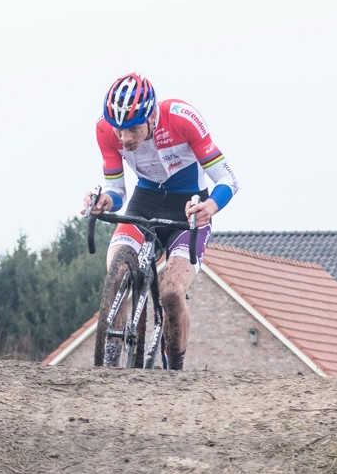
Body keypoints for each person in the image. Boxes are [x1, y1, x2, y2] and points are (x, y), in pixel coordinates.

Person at [82, 72, 238, 370]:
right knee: (116, 272)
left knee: (171, 291)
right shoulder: (105, 131)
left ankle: (174, 368)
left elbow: (227, 178)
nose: (125, 139)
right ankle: (110, 365)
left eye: (133, 130)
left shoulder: (181, 118)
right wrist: (105, 201)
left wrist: (211, 206)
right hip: (145, 201)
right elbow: (116, 190)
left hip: (188, 208)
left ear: (152, 117)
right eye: (119, 130)